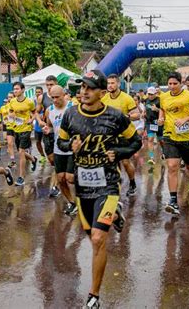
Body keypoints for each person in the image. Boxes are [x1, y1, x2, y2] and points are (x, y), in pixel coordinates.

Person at [57, 70, 142, 308]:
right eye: (82, 86)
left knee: (97, 239)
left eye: (91, 87)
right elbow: (60, 141)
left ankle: (94, 295)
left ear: (103, 93)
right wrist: (70, 146)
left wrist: (120, 152)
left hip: (108, 184)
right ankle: (115, 214)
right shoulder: (71, 114)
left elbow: (136, 141)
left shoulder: (116, 117)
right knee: (89, 235)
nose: (84, 91)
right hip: (84, 187)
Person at [158, 72, 189, 215]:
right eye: (169, 84)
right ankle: (173, 201)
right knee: (172, 166)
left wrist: (187, 119)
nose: (172, 86)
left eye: (175, 84)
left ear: (181, 83)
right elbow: (162, 109)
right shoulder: (164, 96)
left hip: (188, 138)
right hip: (170, 136)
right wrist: (161, 118)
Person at [101, 74, 140, 196]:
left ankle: (132, 183)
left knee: (125, 162)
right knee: (110, 161)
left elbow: (137, 114)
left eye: (112, 83)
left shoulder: (127, 98)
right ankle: (114, 184)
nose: (110, 85)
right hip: (109, 136)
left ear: (118, 83)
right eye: (108, 83)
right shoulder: (104, 98)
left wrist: (125, 117)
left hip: (124, 136)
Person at [42, 85, 76, 215]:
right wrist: (47, 130)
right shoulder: (49, 110)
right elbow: (50, 126)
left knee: (70, 178)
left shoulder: (72, 108)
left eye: (58, 97)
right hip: (58, 148)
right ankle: (71, 203)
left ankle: (85, 194)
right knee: (61, 179)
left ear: (64, 95)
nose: (55, 100)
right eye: (53, 98)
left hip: (72, 148)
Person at [35, 75, 60, 197]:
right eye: (47, 85)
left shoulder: (62, 96)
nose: (49, 87)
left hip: (59, 132)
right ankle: (60, 175)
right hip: (47, 131)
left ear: (56, 84)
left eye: (51, 84)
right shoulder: (42, 97)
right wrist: (39, 121)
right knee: (51, 159)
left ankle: (56, 185)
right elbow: (36, 112)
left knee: (57, 160)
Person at [8, 82, 38, 186]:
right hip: (17, 129)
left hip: (26, 129)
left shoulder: (29, 102)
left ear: (23, 90)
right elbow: (10, 112)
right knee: (19, 151)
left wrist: (31, 120)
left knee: (21, 152)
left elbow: (35, 113)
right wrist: (11, 116)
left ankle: (21, 177)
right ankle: (33, 159)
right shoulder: (12, 101)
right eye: (14, 89)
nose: (15, 91)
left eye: (17, 89)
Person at [144, 87, 164, 165]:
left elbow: (164, 111)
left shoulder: (159, 100)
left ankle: (163, 152)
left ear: (155, 93)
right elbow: (146, 109)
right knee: (150, 139)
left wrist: (157, 110)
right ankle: (151, 158)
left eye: (152, 94)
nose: (150, 96)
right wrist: (144, 113)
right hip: (150, 123)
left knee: (161, 140)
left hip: (158, 123)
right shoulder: (146, 100)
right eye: (149, 94)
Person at [0, 92, 16, 167]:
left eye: (11, 97)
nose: (10, 98)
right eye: (9, 97)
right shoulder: (3, 107)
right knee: (9, 143)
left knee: (20, 147)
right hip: (8, 126)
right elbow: (2, 115)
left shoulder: (16, 106)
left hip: (17, 127)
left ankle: (28, 154)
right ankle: (12, 160)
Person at [33, 86, 48, 165]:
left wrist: (43, 116)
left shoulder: (46, 100)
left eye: (39, 92)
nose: (38, 93)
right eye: (36, 92)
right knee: (38, 142)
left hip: (46, 125)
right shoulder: (33, 102)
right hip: (37, 126)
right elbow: (32, 112)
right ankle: (42, 156)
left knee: (46, 142)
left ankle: (49, 155)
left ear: (42, 93)